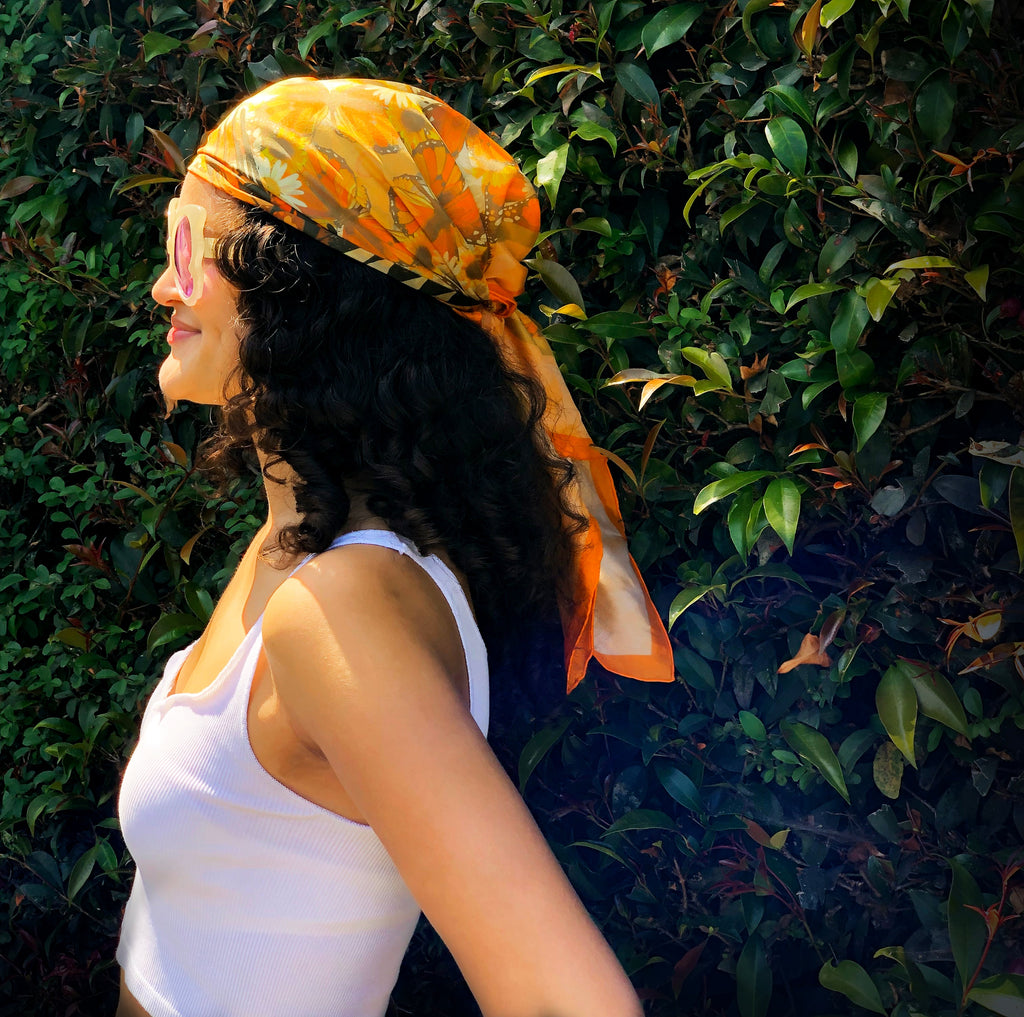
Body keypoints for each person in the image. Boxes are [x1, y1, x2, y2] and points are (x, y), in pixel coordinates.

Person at [116, 76, 673, 1017]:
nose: (164, 284)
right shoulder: (299, 544)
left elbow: (566, 1000)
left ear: (299, 287)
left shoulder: (343, 607)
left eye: (189, 246)